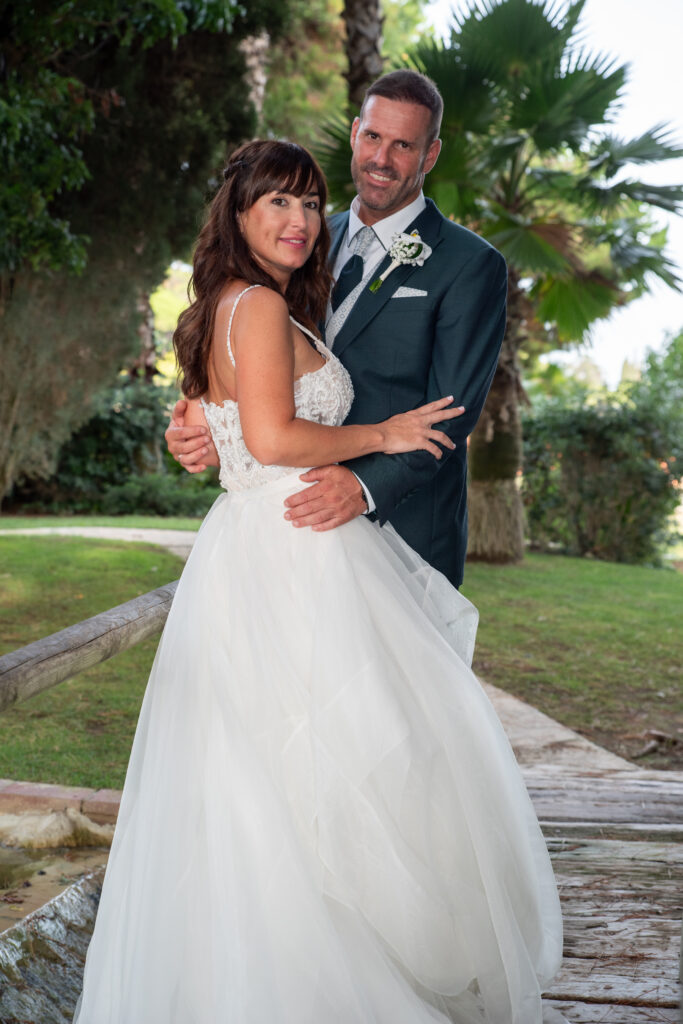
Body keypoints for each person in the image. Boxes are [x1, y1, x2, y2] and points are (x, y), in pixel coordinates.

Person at [73, 138, 562, 1024]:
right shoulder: (256, 305)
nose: (300, 222)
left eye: (308, 204)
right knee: (326, 758)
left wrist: (204, 433)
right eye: (278, 205)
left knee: (278, 764)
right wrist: (385, 433)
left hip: (267, 548)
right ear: (239, 214)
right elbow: (270, 441)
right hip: (292, 550)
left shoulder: (236, 302)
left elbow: (218, 422)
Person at [166, 70, 507, 588]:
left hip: (407, 529)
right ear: (354, 133)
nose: (381, 159)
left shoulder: (469, 264)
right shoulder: (305, 241)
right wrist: (209, 428)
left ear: (430, 156)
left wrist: (364, 486)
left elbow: (449, 415)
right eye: (372, 137)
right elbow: (259, 367)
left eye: (403, 145)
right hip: (294, 527)